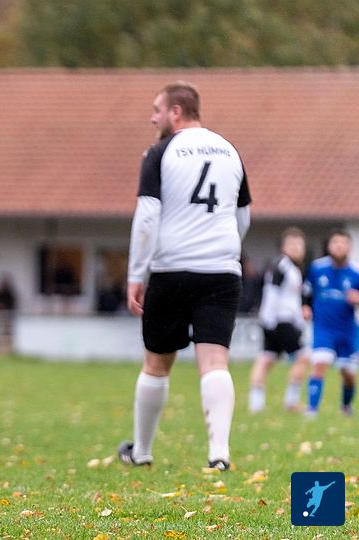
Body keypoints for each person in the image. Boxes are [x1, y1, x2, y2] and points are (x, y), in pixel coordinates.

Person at [118, 81, 251, 471]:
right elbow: (242, 216)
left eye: (156, 110)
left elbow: (147, 216)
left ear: (175, 112)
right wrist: (222, 248)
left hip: (171, 269)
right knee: (215, 362)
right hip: (221, 271)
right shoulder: (229, 150)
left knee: (156, 364)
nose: (152, 118)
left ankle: (141, 452)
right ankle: (219, 454)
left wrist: (136, 273)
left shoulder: (159, 152)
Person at [248, 228, 311, 413]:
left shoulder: (294, 268)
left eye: (300, 244)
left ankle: (256, 404)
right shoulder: (281, 267)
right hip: (281, 321)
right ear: (283, 247)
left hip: (279, 320)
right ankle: (291, 401)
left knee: (266, 358)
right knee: (303, 357)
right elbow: (271, 293)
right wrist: (269, 321)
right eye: (292, 244)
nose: (297, 248)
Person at [302, 229, 359, 417]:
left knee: (348, 373)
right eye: (335, 243)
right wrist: (305, 306)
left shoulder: (355, 272)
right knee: (320, 364)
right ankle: (312, 410)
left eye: (343, 243)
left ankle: (346, 406)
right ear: (329, 246)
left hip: (347, 330)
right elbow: (305, 292)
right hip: (323, 328)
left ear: (349, 247)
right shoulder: (317, 268)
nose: (339, 246)